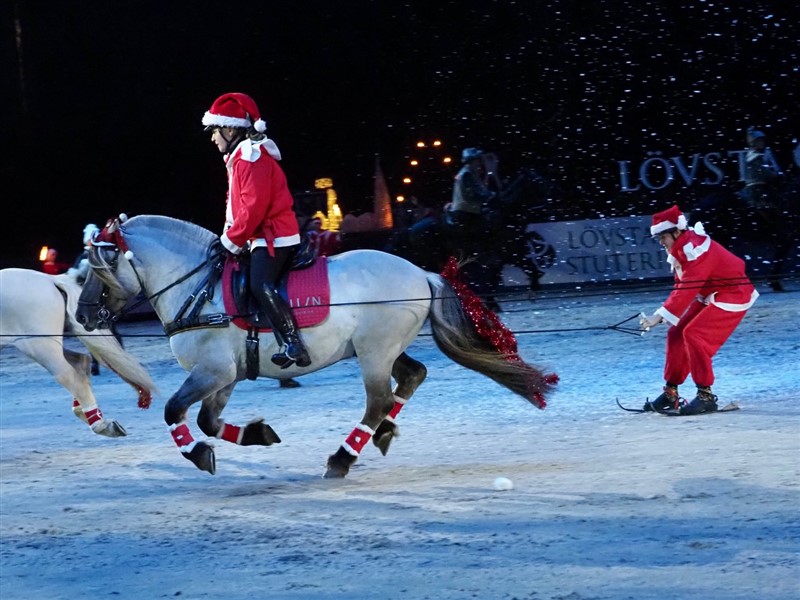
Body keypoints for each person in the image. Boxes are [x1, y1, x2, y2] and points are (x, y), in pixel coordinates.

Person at [202, 92, 311, 369]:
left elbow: (254, 209)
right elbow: (236, 207)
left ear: (229, 128)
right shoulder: (239, 158)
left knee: (260, 283)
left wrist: (232, 241)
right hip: (260, 236)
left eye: (214, 131)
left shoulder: (251, 157)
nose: (213, 138)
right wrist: (227, 235)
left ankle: (292, 342)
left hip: (275, 235)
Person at [640, 205, 759, 415]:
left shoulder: (694, 248)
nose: (661, 242)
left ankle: (706, 396)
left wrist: (660, 315)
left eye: (663, 237)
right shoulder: (680, 247)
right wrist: (663, 315)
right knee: (676, 333)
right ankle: (671, 393)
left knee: (694, 334)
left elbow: (688, 287)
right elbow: (682, 286)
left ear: (676, 232)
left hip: (732, 294)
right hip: (710, 295)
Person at [447, 148, 501, 309]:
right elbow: (477, 194)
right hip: (466, 214)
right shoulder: (467, 175)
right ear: (472, 161)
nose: (479, 163)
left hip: (466, 211)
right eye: (477, 160)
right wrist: (492, 196)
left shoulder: (468, 173)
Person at [741, 126, 792, 292]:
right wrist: (778, 176)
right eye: (759, 141)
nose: (761, 143)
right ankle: (774, 227)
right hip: (757, 190)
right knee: (771, 208)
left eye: (762, 141)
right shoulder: (754, 157)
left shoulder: (758, 156)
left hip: (760, 188)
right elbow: (765, 174)